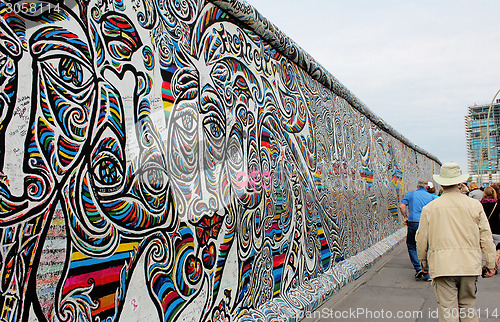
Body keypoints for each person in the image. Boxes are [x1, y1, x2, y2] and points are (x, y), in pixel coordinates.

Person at [416, 162, 497, 322]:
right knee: (467, 307)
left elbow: (421, 239)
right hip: (469, 264)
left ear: (441, 183)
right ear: (460, 182)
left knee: (447, 310)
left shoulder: (430, 208)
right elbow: (486, 236)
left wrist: (423, 262)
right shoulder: (474, 205)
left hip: (442, 265)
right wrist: (490, 263)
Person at [399, 180, 435, 281]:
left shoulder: (410, 194)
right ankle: (427, 271)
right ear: (427, 187)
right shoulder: (431, 197)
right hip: (426, 223)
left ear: (417, 186)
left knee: (411, 245)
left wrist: (405, 216)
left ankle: (418, 267)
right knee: (426, 245)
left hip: (413, 222)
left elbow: (402, 206)